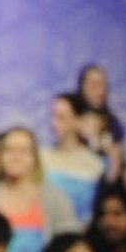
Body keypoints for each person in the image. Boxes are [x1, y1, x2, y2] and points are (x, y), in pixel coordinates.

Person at [43, 93, 107, 222]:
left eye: (61, 117)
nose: (54, 123)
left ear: (78, 120)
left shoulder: (95, 163)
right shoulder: (42, 157)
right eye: (52, 116)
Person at [75, 62, 125, 154]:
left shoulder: (114, 124)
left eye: (104, 85)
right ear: (82, 87)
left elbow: (117, 160)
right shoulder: (73, 120)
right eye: (95, 85)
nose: (101, 91)